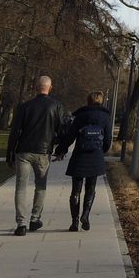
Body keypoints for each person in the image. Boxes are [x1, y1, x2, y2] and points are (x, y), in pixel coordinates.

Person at [6, 75, 66, 236]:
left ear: (35, 87)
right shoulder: (56, 106)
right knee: (41, 186)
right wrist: (60, 148)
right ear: (50, 87)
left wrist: (10, 153)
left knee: (20, 187)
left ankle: (21, 224)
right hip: (43, 152)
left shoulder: (25, 107)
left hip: (23, 151)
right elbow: (63, 129)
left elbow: (15, 132)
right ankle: (35, 218)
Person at [54, 91, 112, 231]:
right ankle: (85, 215)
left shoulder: (80, 116)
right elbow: (108, 139)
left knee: (76, 190)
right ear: (101, 101)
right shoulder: (105, 117)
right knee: (91, 188)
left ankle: (74, 222)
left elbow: (70, 136)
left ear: (88, 101)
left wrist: (61, 150)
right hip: (95, 155)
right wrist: (101, 151)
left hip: (80, 155)